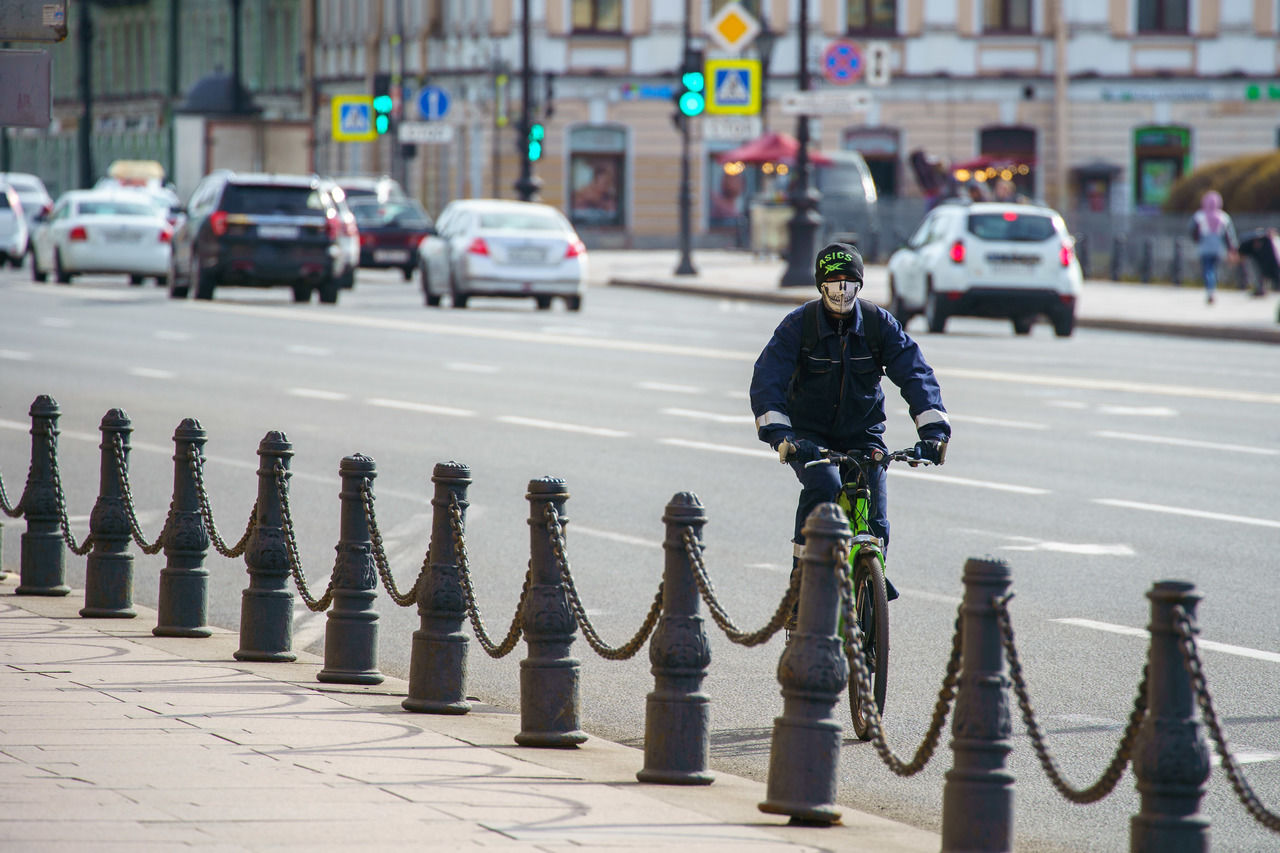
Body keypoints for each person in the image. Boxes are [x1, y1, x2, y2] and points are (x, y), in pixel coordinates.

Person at [749, 242, 951, 603]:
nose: (842, 288)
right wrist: (781, 434)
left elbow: (915, 373)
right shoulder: (799, 325)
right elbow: (768, 378)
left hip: (863, 433)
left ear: (860, 284)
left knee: (875, 504)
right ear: (819, 284)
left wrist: (933, 432)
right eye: (833, 280)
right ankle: (800, 584)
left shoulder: (878, 324)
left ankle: (872, 576)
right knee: (823, 484)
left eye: (849, 280)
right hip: (809, 436)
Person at [1189, 190, 1238, 305]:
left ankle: (1209, 289)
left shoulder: (1199, 216)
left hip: (1204, 247)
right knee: (1214, 269)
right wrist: (1232, 248)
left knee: (1207, 269)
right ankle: (1213, 288)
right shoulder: (1223, 217)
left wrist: (1198, 239)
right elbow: (1229, 236)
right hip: (1217, 247)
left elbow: (1192, 232)